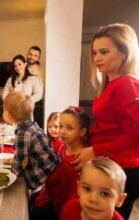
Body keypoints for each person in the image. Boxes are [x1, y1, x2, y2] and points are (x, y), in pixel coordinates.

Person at [72, 23, 139, 219]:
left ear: (124, 52)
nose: (97, 58)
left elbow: (135, 136)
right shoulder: (111, 84)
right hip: (109, 163)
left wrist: (94, 151)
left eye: (104, 52)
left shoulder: (127, 84)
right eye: (94, 53)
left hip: (122, 168)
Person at [30, 106, 91, 219]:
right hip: (50, 194)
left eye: (69, 128)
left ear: (82, 131)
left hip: (63, 205)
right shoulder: (60, 146)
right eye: (61, 126)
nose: (62, 131)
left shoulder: (83, 158)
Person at [61, 157, 127, 220]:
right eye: (87, 189)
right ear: (79, 188)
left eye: (105, 194)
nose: (93, 199)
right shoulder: (70, 208)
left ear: (120, 200)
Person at [2, 54, 43, 119]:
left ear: (25, 64)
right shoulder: (10, 80)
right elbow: (4, 95)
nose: (18, 67)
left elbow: (39, 94)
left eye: (20, 64)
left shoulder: (33, 79)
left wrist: (26, 101)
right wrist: (12, 102)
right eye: (15, 66)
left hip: (27, 112)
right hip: (14, 112)